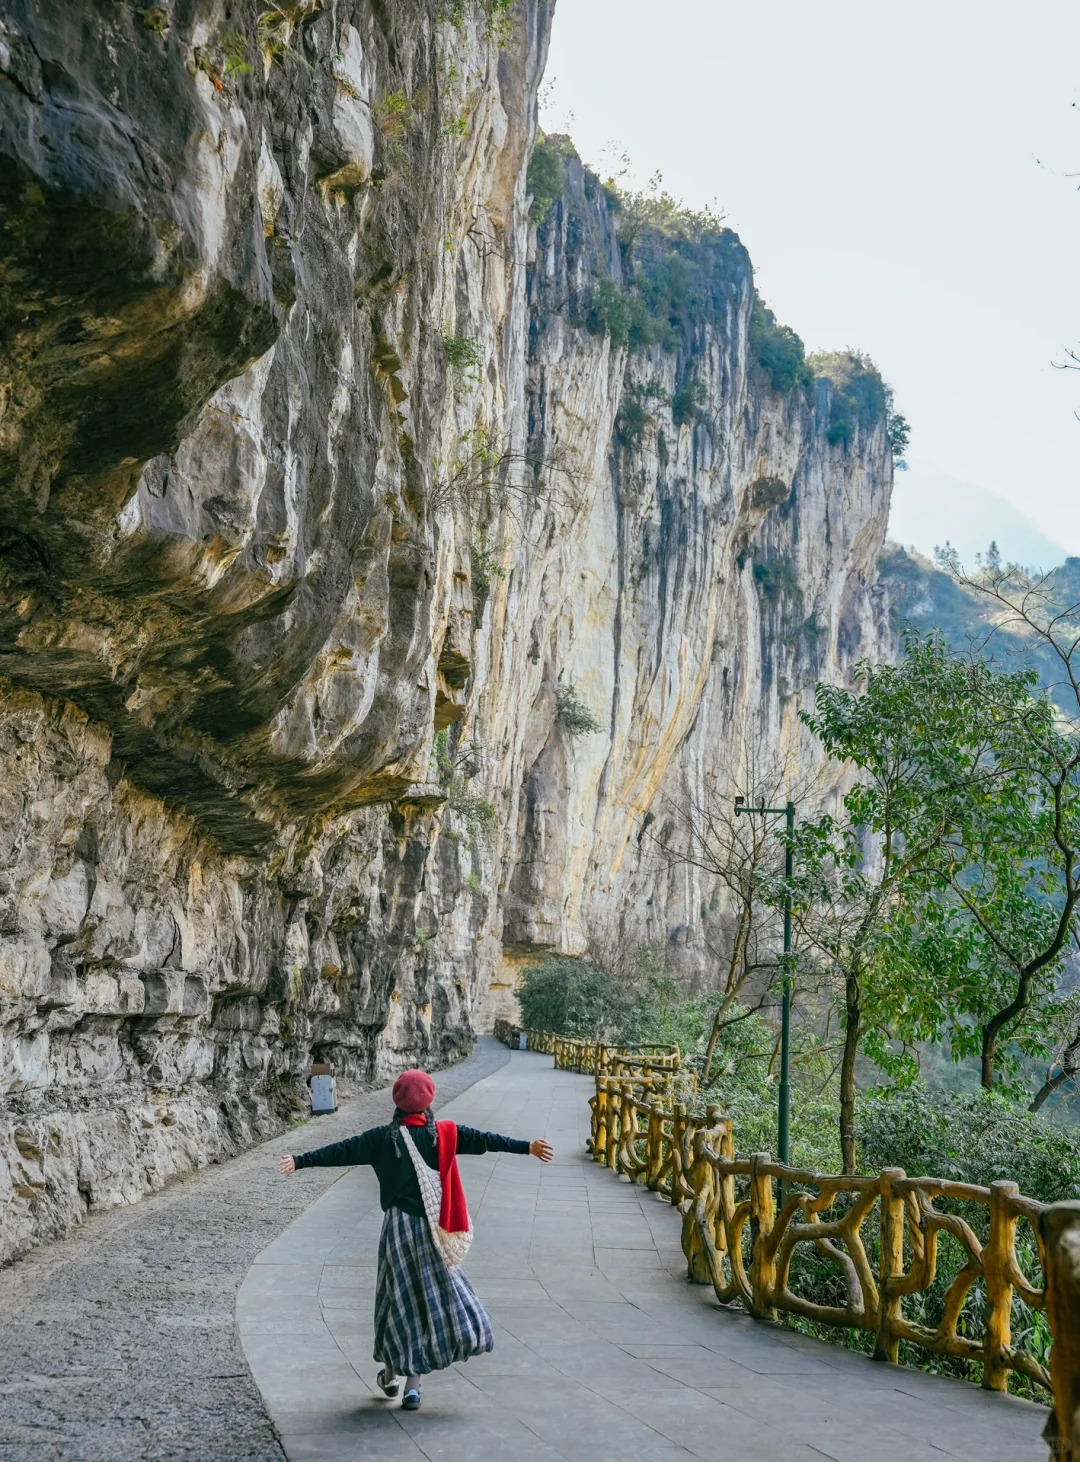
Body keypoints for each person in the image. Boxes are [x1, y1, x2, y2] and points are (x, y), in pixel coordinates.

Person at [279, 1068, 553, 1411]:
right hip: (433, 1234)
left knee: (398, 1300)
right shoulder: (446, 1135)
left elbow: (342, 1151)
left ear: (396, 1100)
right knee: (433, 1302)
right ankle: (412, 1387)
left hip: (397, 1233)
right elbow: (487, 1139)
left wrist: (300, 1161)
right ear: (429, 1100)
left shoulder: (383, 1138)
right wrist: (526, 1146)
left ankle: (391, 1374)